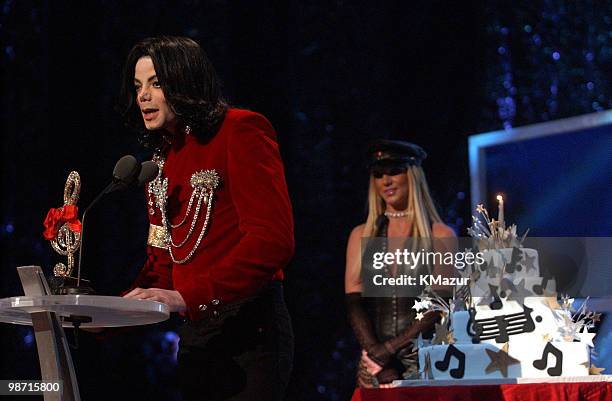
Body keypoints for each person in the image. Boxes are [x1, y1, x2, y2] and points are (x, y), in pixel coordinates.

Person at [119, 36, 294, 401]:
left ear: (184, 81)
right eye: (138, 87)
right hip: (197, 339)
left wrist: (189, 296)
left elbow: (272, 241)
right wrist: (99, 315)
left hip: (250, 332)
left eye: (156, 83)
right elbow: (163, 262)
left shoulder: (240, 129)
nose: (143, 97)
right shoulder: (159, 160)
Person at [344, 139, 456, 387]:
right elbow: (354, 303)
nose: (386, 180)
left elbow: (438, 307)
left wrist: (386, 351)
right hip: (374, 367)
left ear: (413, 175)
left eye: (395, 171)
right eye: (378, 174)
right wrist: (377, 358)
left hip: (428, 363)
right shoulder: (361, 235)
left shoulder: (440, 235)